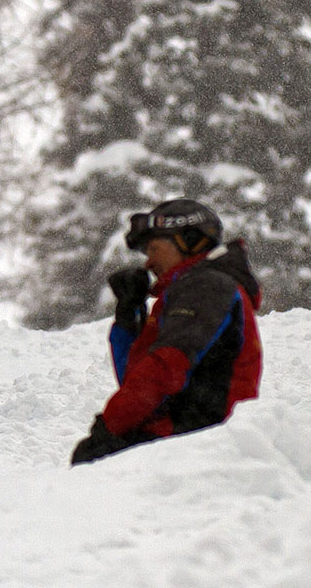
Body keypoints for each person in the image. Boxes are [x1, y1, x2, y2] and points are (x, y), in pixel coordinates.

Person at [71, 198, 262, 465]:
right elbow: (137, 378)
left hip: (198, 444)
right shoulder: (186, 291)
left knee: (90, 465)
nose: (148, 263)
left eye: (153, 248)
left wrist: (111, 425)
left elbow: (166, 367)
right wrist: (129, 316)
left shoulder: (207, 285)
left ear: (189, 240)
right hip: (181, 438)